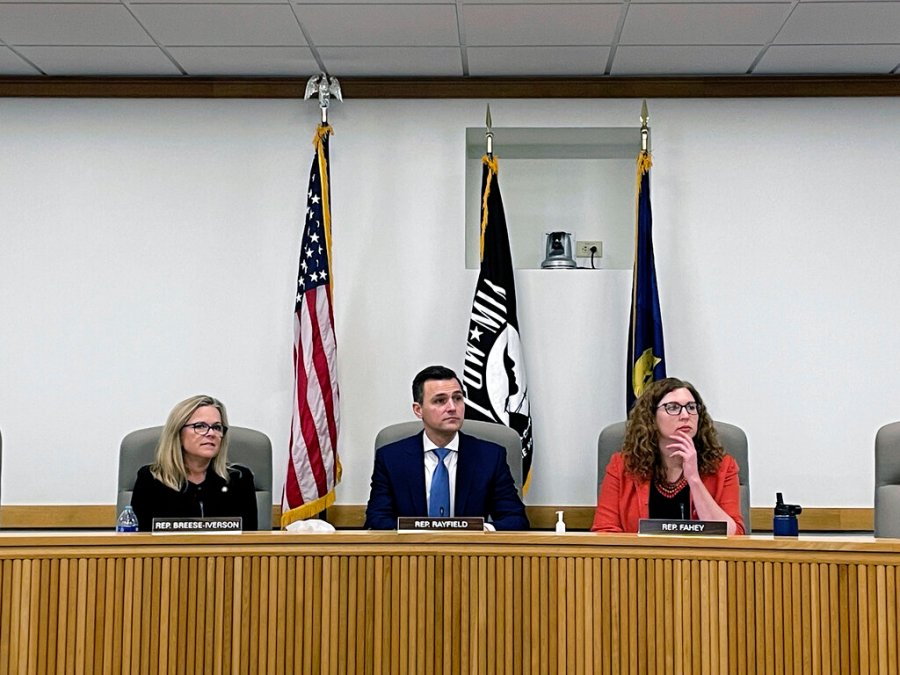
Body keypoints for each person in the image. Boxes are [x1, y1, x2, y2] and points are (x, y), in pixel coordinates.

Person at [364, 365, 529, 530]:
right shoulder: (391, 458)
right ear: (418, 410)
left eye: (457, 398)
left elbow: (515, 519)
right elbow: (376, 520)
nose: (452, 407)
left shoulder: (490, 457)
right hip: (412, 553)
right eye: (440, 400)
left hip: (470, 553)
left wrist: (481, 531)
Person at [592, 377, 745, 535]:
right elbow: (605, 531)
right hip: (641, 559)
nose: (685, 415)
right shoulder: (622, 466)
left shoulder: (723, 467)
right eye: (673, 407)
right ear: (651, 416)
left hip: (702, 559)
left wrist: (694, 479)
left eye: (691, 407)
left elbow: (733, 536)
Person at [131, 395, 258, 531]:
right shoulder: (151, 479)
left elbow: (250, 543)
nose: (211, 433)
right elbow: (140, 544)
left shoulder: (239, 479)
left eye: (217, 427)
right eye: (200, 426)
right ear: (178, 433)